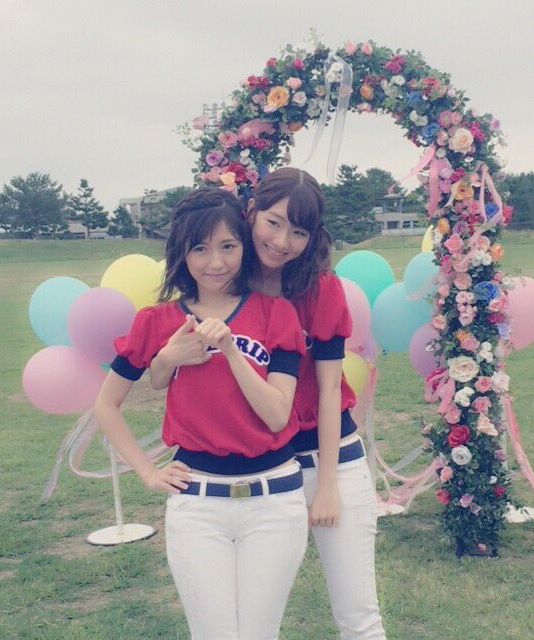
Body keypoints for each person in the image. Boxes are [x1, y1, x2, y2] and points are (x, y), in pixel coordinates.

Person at [94, 188, 308, 640]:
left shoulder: (276, 314)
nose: (216, 262)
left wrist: (230, 350)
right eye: (200, 249)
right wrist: (149, 472)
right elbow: (105, 405)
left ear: (244, 247)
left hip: (274, 501)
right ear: (182, 252)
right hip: (198, 504)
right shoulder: (156, 322)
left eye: (228, 246)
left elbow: (276, 415)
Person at [248, 167, 386, 639]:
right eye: (274, 222)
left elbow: (329, 390)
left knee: (358, 616)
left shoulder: (320, 288)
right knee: (254, 622)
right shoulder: (228, 285)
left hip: (332, 460)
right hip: (264, 468)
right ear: (252, 212)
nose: (282, 242)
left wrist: (327, 484)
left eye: (299, 232)